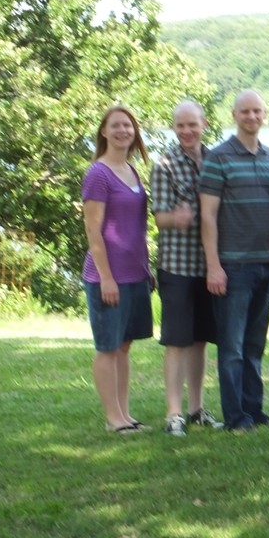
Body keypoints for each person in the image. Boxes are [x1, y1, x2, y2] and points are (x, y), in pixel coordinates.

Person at [199, 90, 269, 432]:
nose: (251, 117)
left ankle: (255, 411)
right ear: (234, 115)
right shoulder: (218, 158)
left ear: (264, 115)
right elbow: (207, 216)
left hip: (265, 265)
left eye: (257, 111)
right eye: (245, 111)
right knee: (231, 348)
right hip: (232, 267)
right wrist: (214, 266)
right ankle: (235, 417)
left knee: (254, 346)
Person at [150, 100, 222, 436]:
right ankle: (173, 413)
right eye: (180, 125)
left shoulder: (215, 160)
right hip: (176, 266)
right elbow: (159, 218)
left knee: (200, 340)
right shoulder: (164, 164)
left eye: (192, 124)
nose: (187, 131)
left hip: (208, 266)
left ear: (204, 124)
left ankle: (196, 409)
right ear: (174, 128)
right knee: (177, 341)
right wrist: (175, 218)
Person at [81, 106, 154, 434]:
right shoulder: (99, 174)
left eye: (128, 125)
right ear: (104, 132)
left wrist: (146, 267)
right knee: (108, 347)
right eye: (116, 125)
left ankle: (125, 415)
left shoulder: (132, 171)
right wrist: (106, 277)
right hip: (107, 277)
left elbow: (134, 227)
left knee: (124, 346)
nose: (123, 130)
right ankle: (113, 419)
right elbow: (93, 230)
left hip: (135, 274)